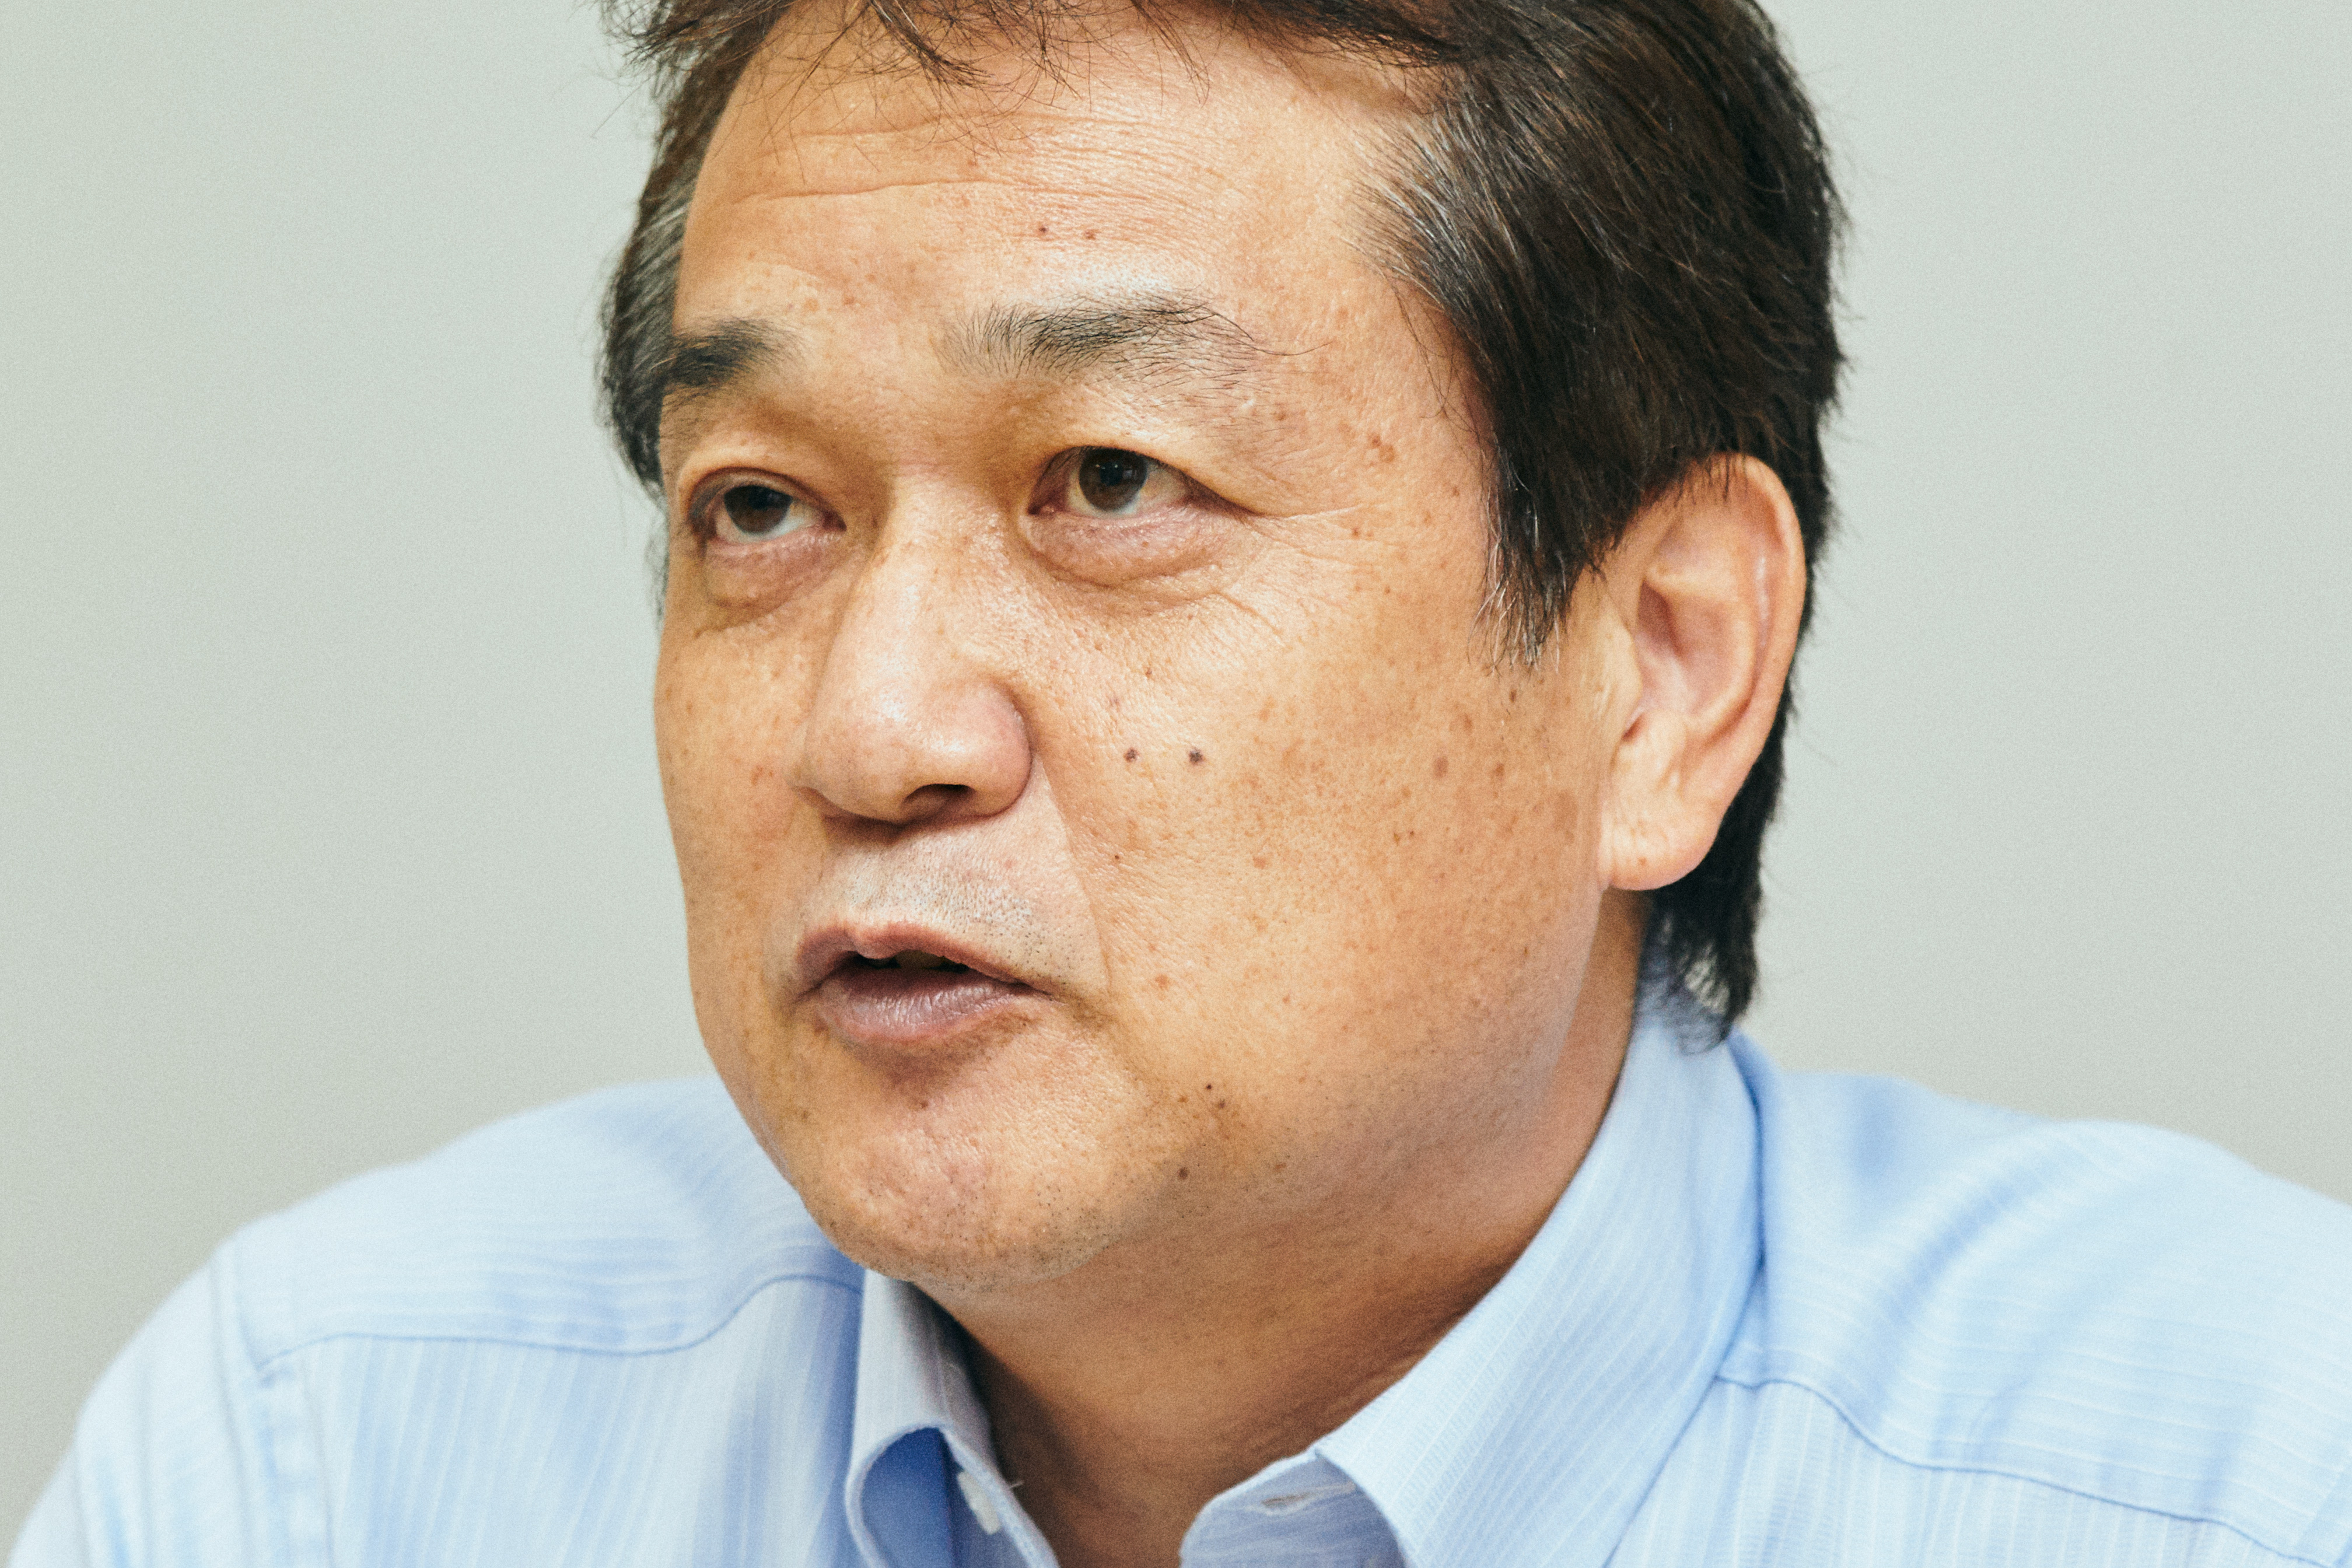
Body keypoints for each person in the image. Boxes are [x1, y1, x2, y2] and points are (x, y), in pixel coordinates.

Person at [15, 0, 2352, 1563]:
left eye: (1113, 483)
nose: (876, 729)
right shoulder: (320, 1460)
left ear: (1662, 671)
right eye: (763, 509)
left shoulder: (2244, 1484)